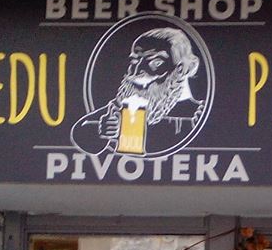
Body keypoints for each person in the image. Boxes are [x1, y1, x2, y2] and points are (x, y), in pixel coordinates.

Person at [71, 27, 206, 156]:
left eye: (156, 63)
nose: (136, 72)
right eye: (134, 61)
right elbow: (81, 133)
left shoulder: (196, 115)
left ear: (182, 69)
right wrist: (103, 131)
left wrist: (202, 131)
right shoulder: (122, 108)